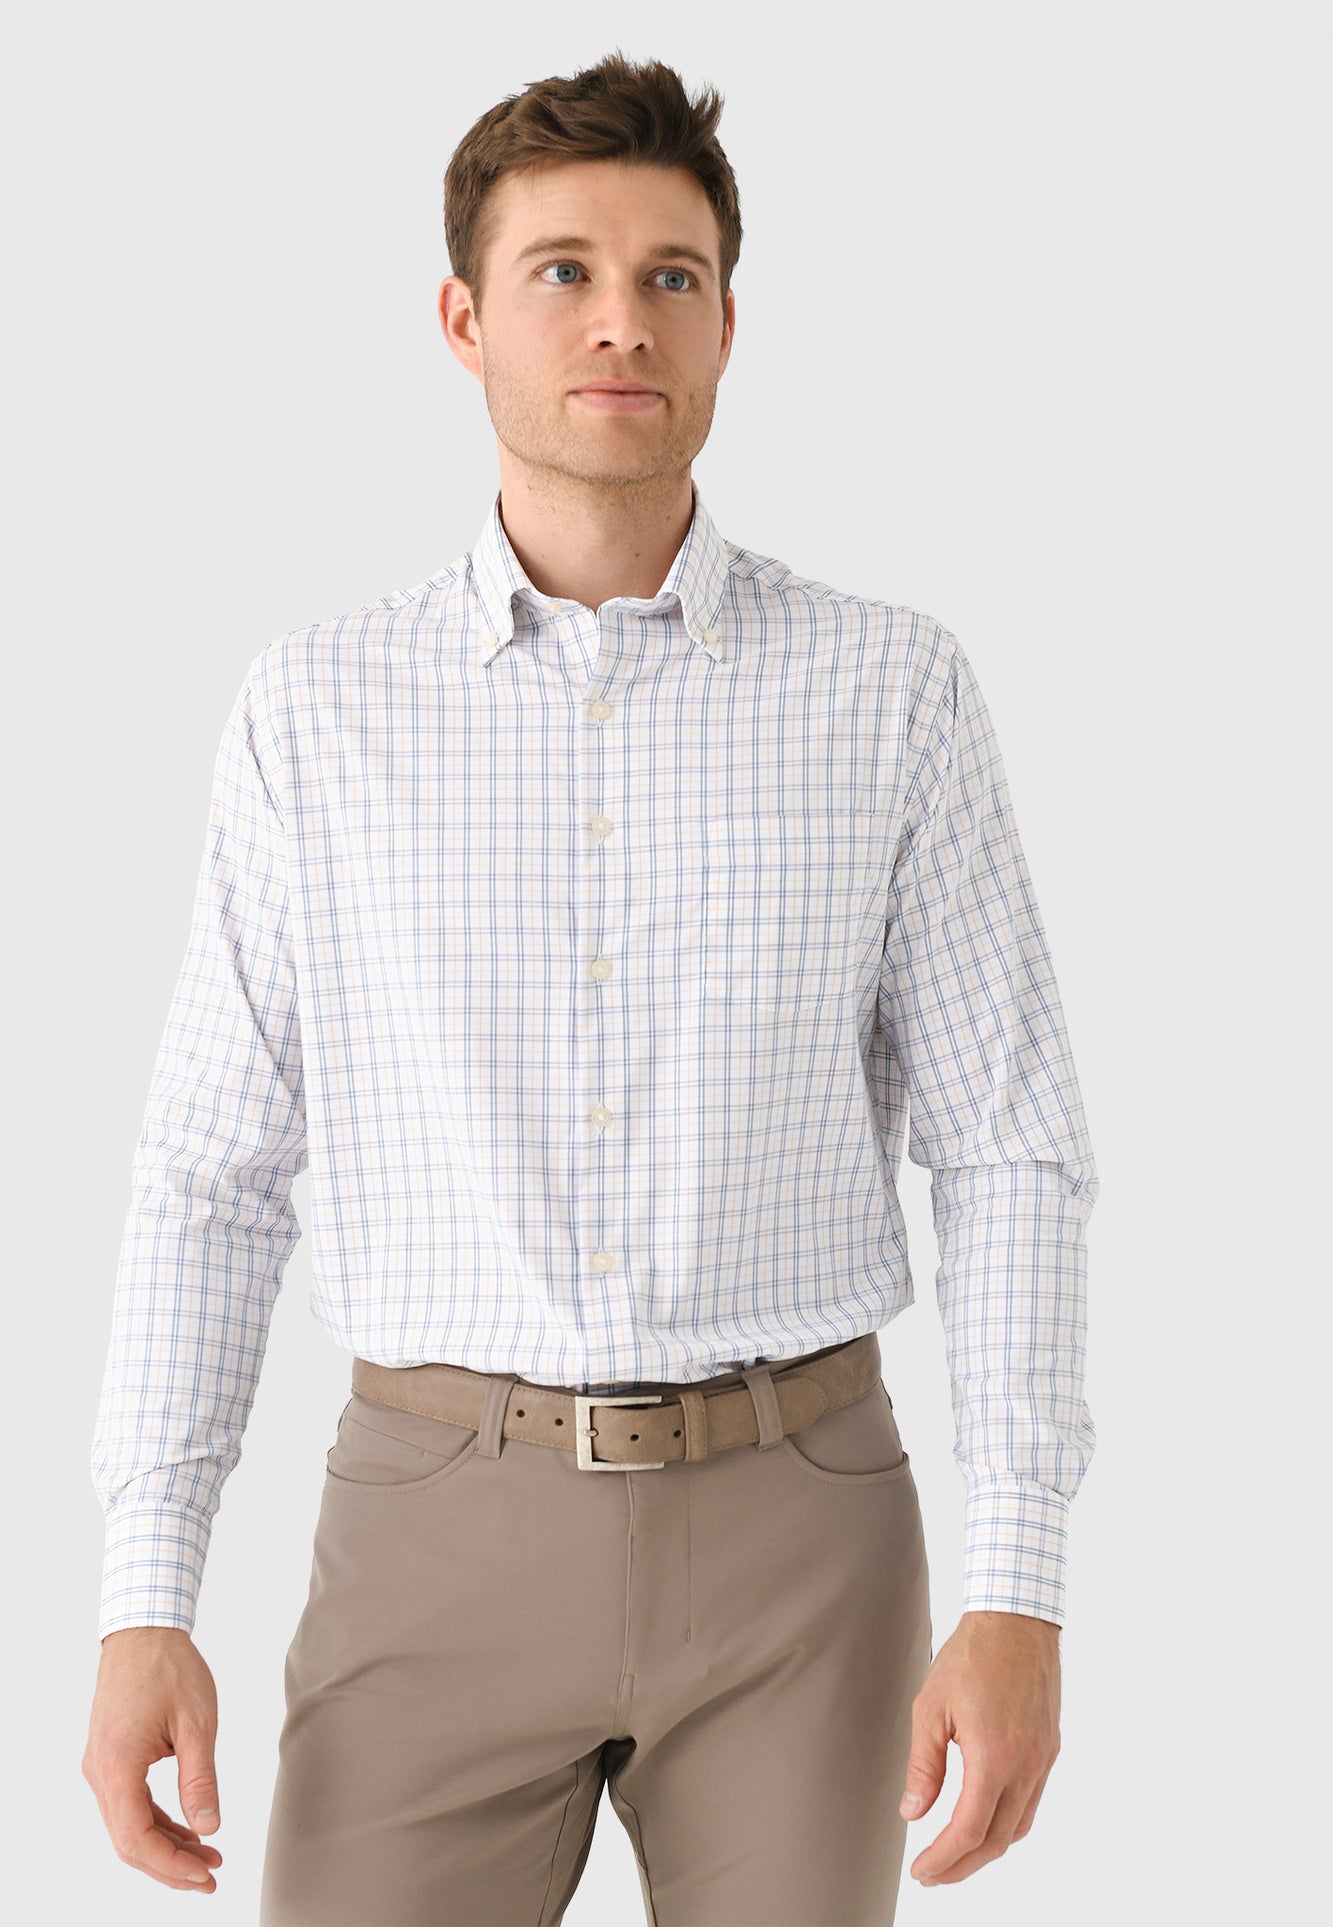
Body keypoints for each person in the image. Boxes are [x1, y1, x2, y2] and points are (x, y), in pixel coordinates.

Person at [82, 50, 1097, 1927]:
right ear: (464, 321)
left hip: (803, 1534)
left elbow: (1008, 1147)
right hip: (430, 1528)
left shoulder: (891, 690)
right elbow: (210, 1173)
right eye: (561, 271)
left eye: (668, 276)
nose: (619, 318)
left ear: (725, 325)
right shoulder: (316, 709)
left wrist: (1016, 1587)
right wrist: (148, 1594)